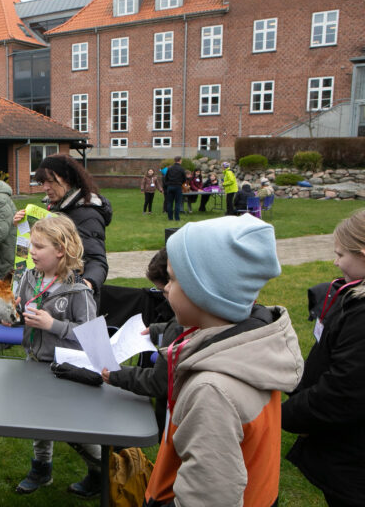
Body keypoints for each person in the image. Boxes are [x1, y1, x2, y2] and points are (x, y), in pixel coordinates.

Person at [115, 215, 303, 506]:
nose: (165, 288)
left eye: (174, 279)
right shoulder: (253, 347)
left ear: (206, 294)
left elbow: (209, 496)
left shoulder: (212, 390)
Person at [12, 216, 102, 498]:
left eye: (38, 247)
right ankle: (41, 468)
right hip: (35, 363)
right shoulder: (29, 277)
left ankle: (101, 470)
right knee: (38, 420)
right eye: (31, 245)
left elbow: (92, 337)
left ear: (60, 250)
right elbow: (22, 313)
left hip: (67, 371)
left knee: (72, 428)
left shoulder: (78, 289)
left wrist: (53, 325)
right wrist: (13, 318)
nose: (32, 252)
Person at [282, 209, 365, 507]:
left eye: (340, 254)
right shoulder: (354, 297)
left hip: (352, 460)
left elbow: (343, 391)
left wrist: (289, 415)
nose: (335, 261)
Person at [102, 247, 180, 440]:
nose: (165, 293)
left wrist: (116, 374)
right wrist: (156, 330)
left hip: (175, 426)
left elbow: (158, 382)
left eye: (164, 289)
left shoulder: (179, 327)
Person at [13, 154, 112, 302]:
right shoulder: (54, 210)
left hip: (75, 299)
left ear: (68, 180)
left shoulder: (88, 215)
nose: (45, 187)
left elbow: (97, 260)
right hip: (52, 292)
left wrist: (88, 283)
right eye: (42, 182)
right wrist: (24, 227)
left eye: (50, 181)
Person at [164, 156, 186, 221]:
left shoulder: (170, 168)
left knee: (169, 203)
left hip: (170, 187)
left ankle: (170, 218)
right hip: (178, 187)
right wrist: (180, 183)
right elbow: (184, 179)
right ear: (180, 160)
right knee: (177, 203)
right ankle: (177, 218)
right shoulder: (181, 169)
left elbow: (166, 178)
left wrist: (168, 184)